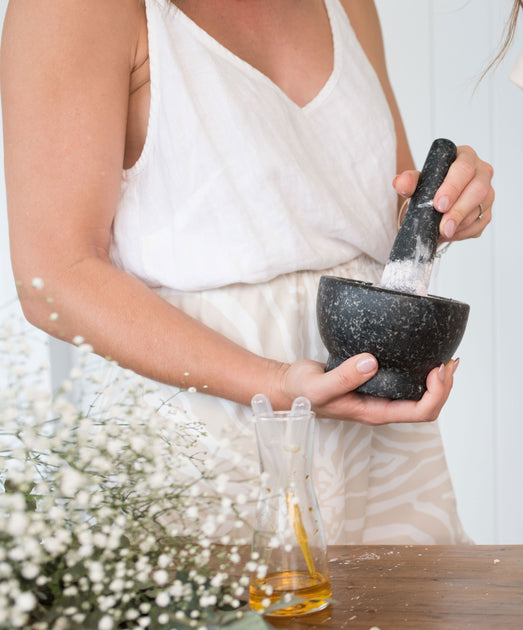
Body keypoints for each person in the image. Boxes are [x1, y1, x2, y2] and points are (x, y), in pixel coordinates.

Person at [0, 0, 494, 544]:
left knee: (410, 626)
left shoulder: (349, 4)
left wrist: (444, 203)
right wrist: (278, 385)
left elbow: (386, 214)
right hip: (206, 444)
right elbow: (56, 277)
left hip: (377, 443)